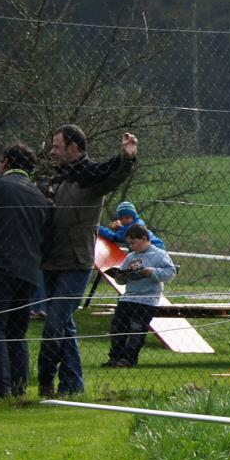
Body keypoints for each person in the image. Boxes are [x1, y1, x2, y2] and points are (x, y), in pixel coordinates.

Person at [37, 125, 137, 398]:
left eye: (57, 146)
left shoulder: (91, 179)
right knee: (65, 325)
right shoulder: (59, 179)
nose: (52, 151)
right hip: (50, 261)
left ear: (74, 148)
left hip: (76, 262)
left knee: (54, 324)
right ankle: (73, 386)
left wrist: (127, 159)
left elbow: (113, 176)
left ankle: (45, 380)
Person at [0, 143, 51, 397]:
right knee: (16, 332)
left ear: (5, 162)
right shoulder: (39, 196)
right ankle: (19, 387)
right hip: (28, 272)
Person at [105, 223, 178, 367]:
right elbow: (121, 280)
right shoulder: (130, 256)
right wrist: (120, 276)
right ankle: (115, 357)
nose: (131, 246)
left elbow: (171, 273)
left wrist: (152, 272)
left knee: (137, 328)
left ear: (144, 238)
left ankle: (129, 359)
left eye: (133, 242)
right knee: (118, 327)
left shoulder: (160, 254)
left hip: (147, 300)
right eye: (129, 244)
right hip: (127, 298)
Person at [98, 200, 165, 250]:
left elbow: (116, 237)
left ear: (133, 217)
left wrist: (99, 228)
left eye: (127, 217)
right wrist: (99, 228)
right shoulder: (129, 227)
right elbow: (118, 236)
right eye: (121, 219)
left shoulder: (137, 225)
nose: (124, 220)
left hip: (155, 246)